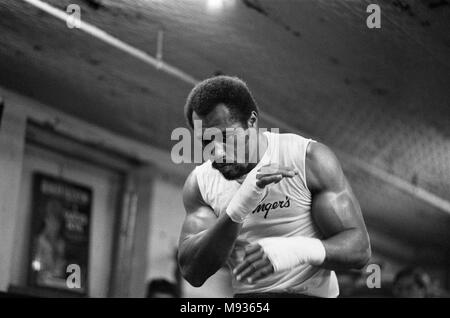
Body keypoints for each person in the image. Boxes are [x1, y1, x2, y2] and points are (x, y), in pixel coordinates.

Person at [177, 76, 371, 297]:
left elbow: (360, 250)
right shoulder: (200, 183)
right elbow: (192, 271)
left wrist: (297, 250)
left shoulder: (306, 159)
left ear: (251, 121)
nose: (218, 152)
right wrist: (238, 208)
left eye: (226, 137)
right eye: (206, 141)